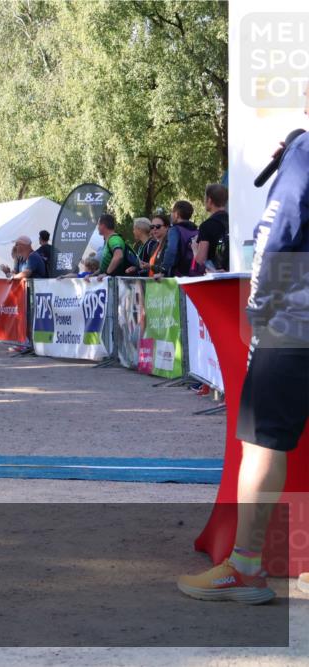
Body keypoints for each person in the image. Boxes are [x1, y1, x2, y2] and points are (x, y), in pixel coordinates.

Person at [177, 98, 309, 604]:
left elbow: (279, 229)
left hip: (295, 314)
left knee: (262, 443)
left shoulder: (303, 154)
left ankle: (247, 568)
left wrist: (258, 307)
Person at [156, 200, 200, 278]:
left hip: (178, 277)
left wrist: (163, 270)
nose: (171, 215)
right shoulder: (197, 231)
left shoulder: (175, 230)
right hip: (194, 275)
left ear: (176, 214)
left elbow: (171, 250)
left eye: (172, 212)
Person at [196, 183, 229, 272]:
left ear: (209, 200)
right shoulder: (232, 221)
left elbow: (200, 261)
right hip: (234, 275)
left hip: (215, 278)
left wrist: (194, 249)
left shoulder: (207, 226)